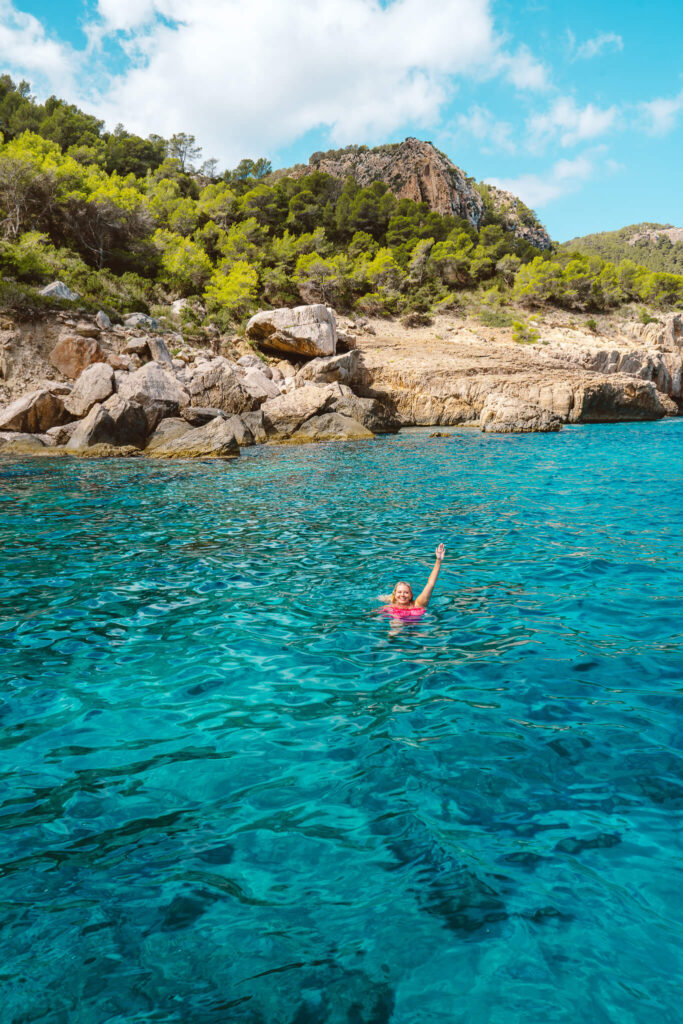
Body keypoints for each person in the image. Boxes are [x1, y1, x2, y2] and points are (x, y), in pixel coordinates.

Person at [383, 544, 446, 619]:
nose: (402, 595)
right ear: (395, 595)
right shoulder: (389, 607)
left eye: (406, 592)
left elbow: (430, 584)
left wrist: (438, 561)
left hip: (415, 629)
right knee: (396, 621)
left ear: (411, 595)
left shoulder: (418, 604)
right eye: (399, 592)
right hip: (397, 626)